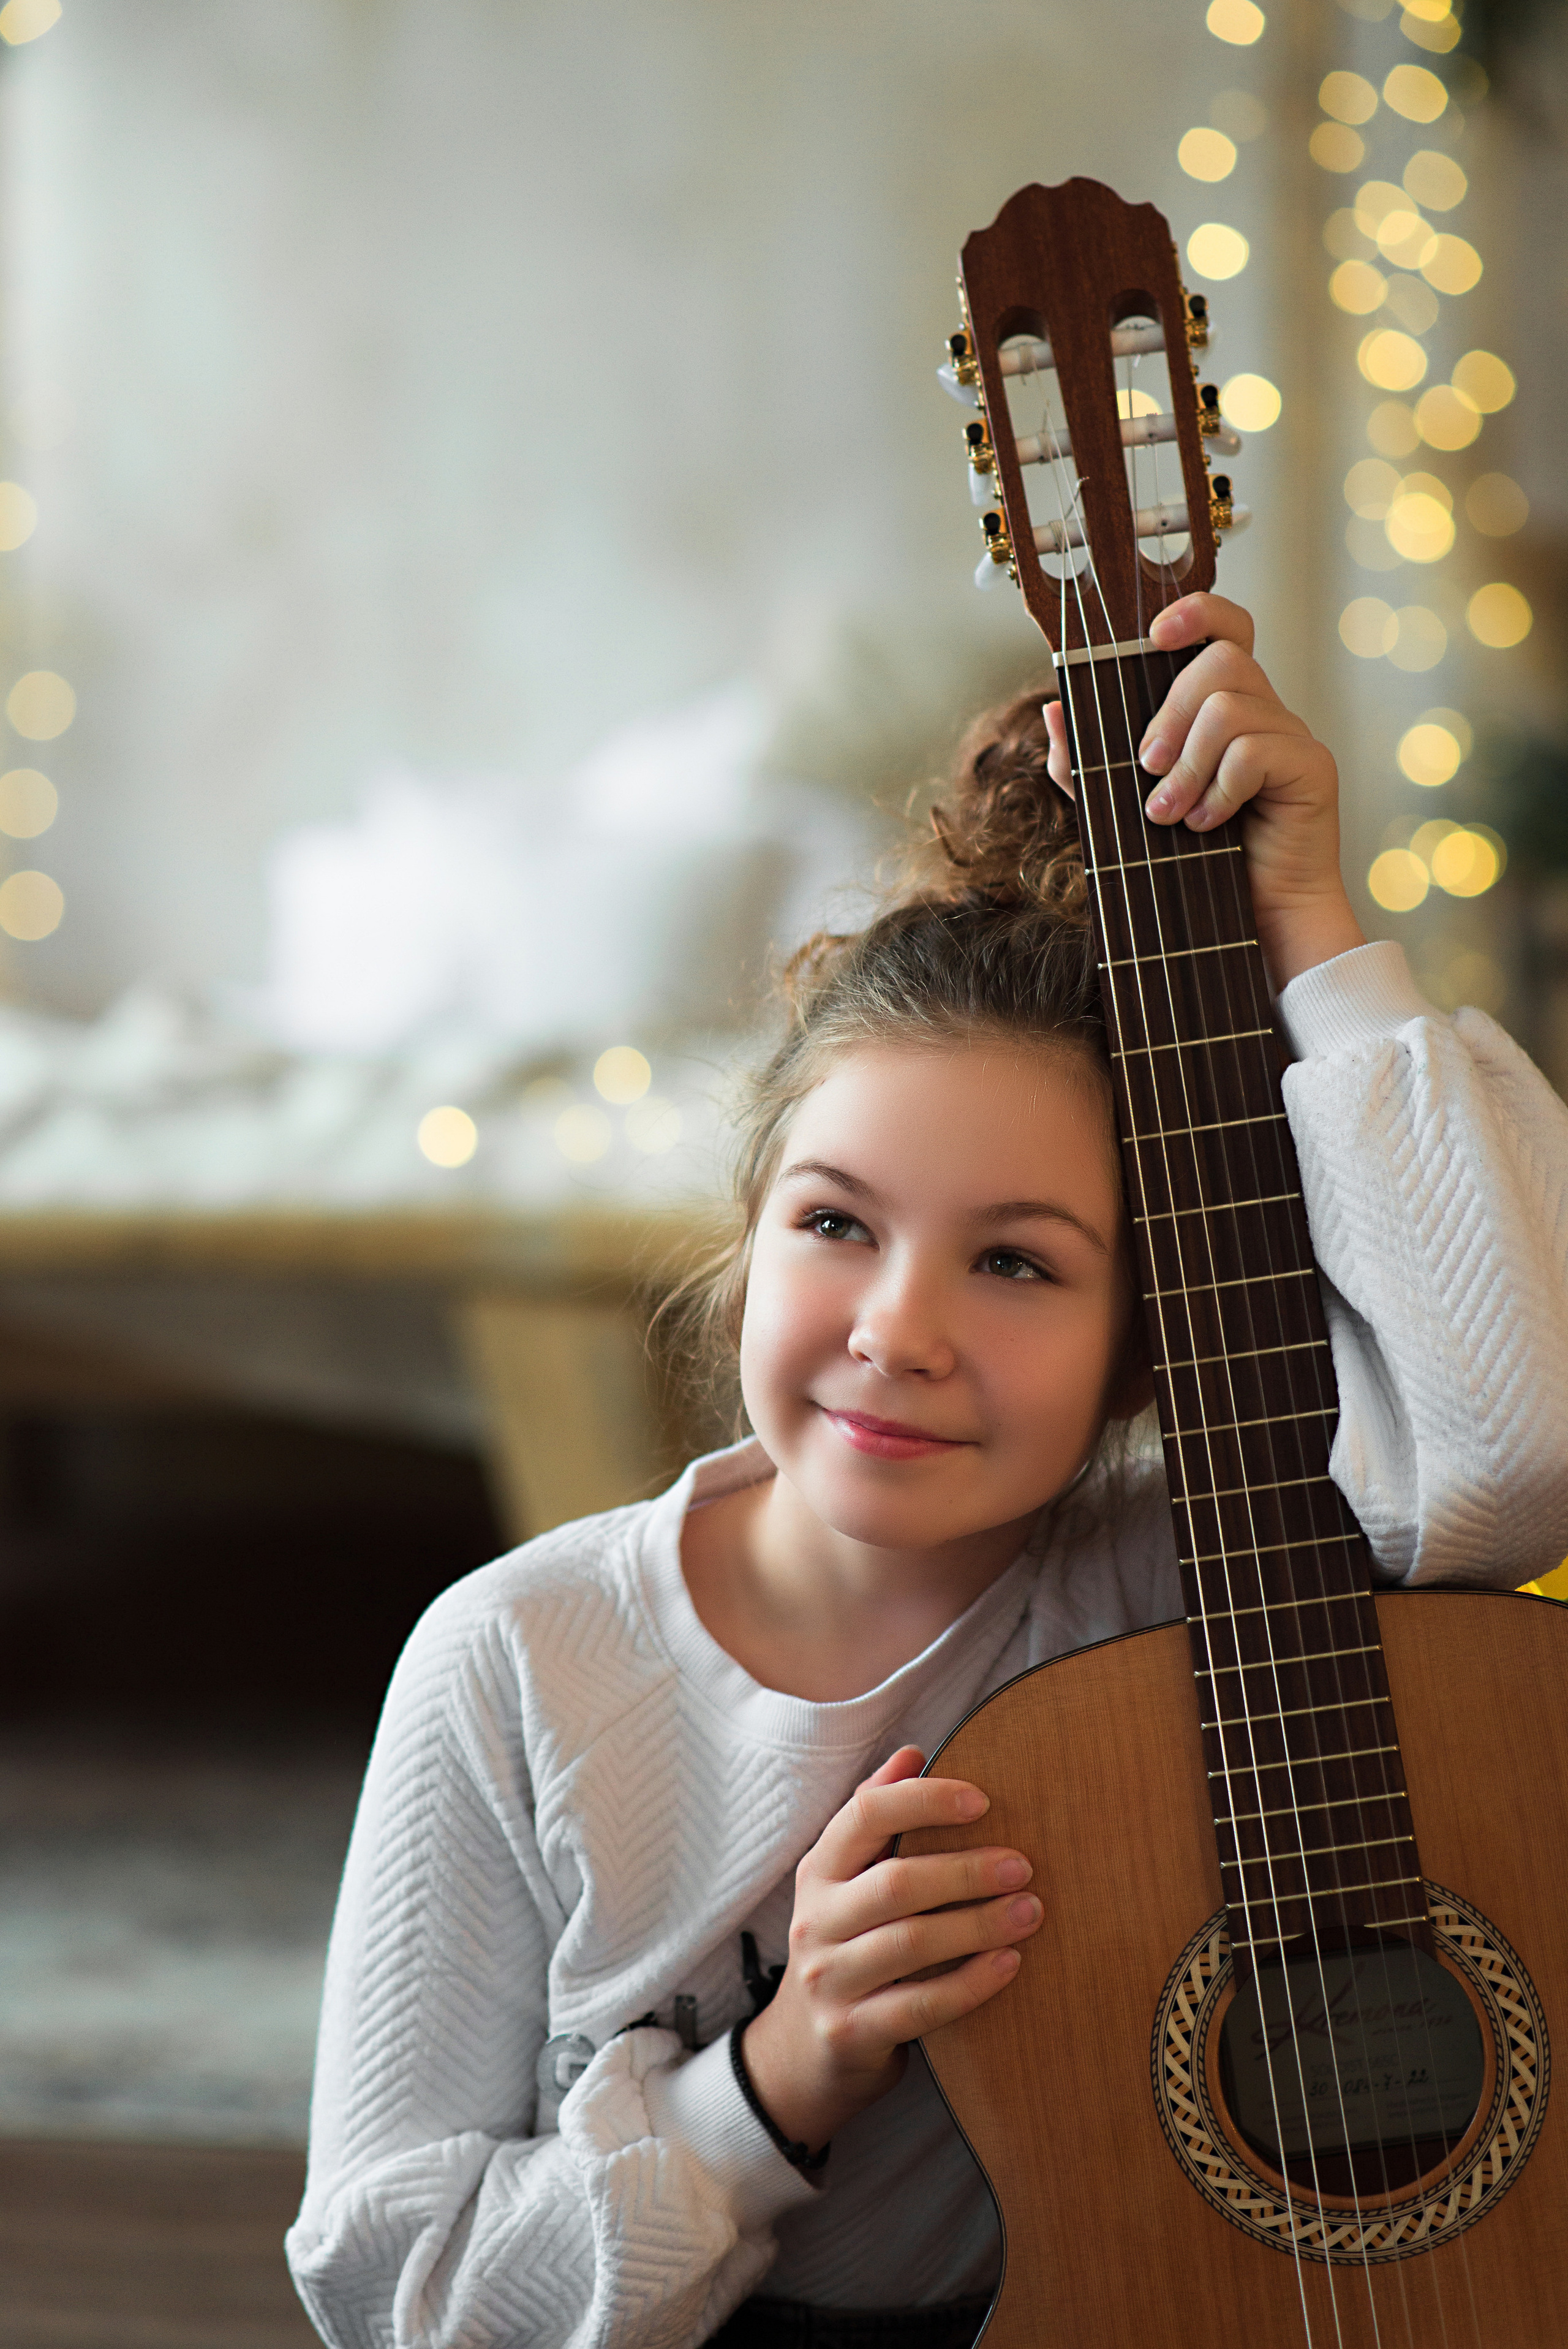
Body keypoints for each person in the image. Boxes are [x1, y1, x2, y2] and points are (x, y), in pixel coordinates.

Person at [285, 594, 1568, 2349]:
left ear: (1140, 1350)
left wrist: (1319, 933)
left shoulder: (1195, 1595)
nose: (900, 1330)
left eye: (1017, 1261)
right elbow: (399, 2293)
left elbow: (1519, 1452)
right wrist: (782, 2070)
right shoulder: (514, 1662)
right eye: (837, 1225)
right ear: (749, 1237)